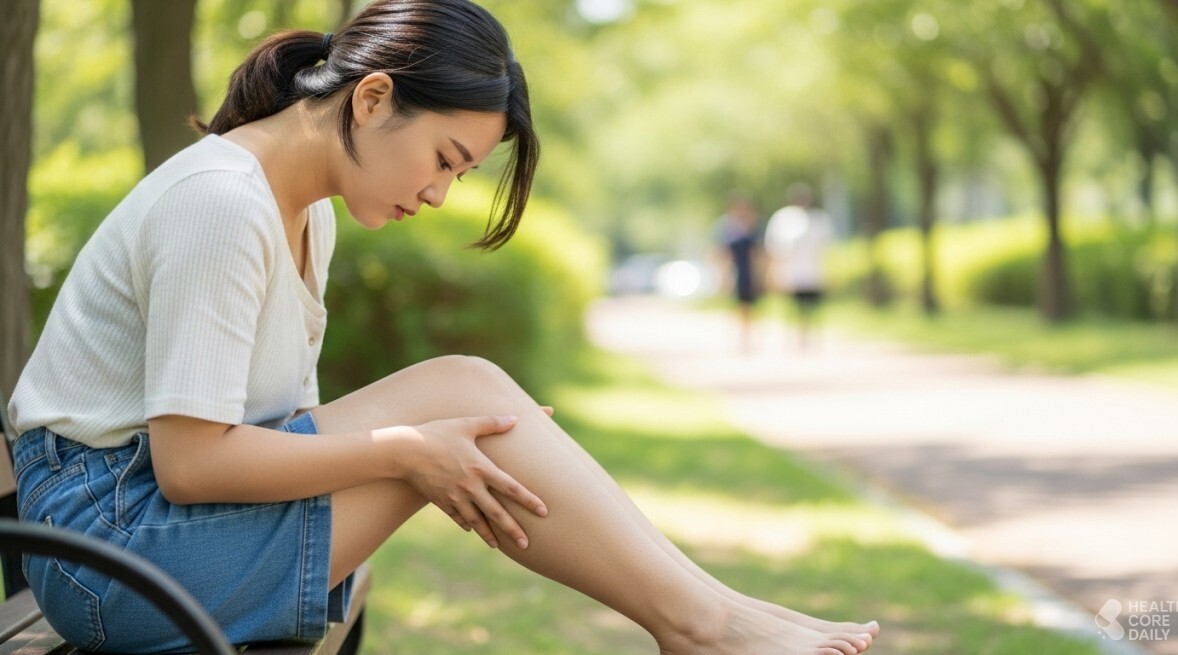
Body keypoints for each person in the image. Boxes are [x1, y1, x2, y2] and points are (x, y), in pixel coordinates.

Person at [7, 2, 879, 653]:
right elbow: (192, 463)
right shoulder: (220, 203)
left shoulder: (307, 211)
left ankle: (709, 611)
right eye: (445, 162)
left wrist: (418, 442)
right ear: (374, 98)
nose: (436, 196)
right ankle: (705, 623)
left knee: (469, 390)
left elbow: (259, 440)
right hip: (107, 556)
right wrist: (406, 451)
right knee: (456, 416)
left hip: (143, 530)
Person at [765, 184, 835, 349]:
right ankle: (794, 338)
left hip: (813, 272)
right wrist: (773, 272)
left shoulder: (820, 219)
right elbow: (774, 249)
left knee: (813, 307)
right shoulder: (782, 218)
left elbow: (827, 249)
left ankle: (811, 338)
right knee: (792, 308)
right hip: (791, 273)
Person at [714, 192, 763, 353]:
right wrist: (723, 276)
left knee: (748, 306)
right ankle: (736, 338)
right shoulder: (726, 227)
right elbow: (722, 253)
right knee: (735, 306)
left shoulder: (752, 227)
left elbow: (757, 253)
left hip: (748, 271)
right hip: (734, 271)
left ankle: (746, 338)